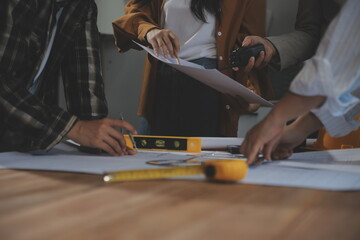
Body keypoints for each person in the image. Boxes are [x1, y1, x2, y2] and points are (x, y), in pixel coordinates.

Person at [112, 0, 273, 137]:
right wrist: (149, 31)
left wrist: (252, 89)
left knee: (200, 163)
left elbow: (251, 42)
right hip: (162, 74)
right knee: (148, 159)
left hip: (210, 82)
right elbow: (133, 13)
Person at [0, 0, 136, 156]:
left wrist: (102, 140)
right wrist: (74, 128)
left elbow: (85, 86)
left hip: (23, 149)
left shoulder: (83, 6)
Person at [240, 0, 360, 164]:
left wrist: (274, 119)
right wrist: (300, 128)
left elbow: (339, 60)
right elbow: (312, 33)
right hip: (328, 107)